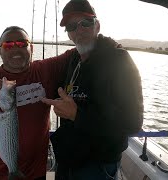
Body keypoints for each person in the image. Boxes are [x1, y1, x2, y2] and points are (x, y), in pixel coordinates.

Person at [41, 0, 144, 179]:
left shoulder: (119, 60)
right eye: (72, 26)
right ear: (69, 34)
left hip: (97, 167)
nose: (79, 30)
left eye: (86, 23)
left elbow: (132, 123)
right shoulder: (74, 58)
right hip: (68, 161)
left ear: (97, 25)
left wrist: (76, 115)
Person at [0, 26, 74, 180]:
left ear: (31, 48)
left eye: (22, 44)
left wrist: (111, 47)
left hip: (35, 173)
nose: (15, 49)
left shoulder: (46, 70)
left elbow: (76, 52)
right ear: (0, 51)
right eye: (8, 45)